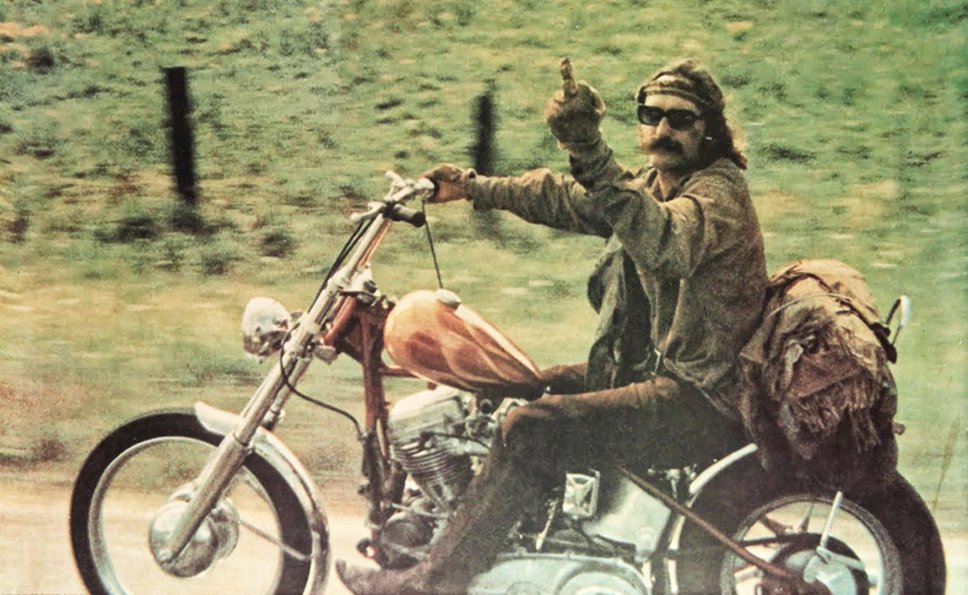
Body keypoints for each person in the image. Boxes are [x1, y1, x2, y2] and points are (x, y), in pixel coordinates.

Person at [337, 57, 768, 594]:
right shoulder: (659, 185)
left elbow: (663, 241)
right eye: (651, 114)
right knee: (517, 388)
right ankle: (518, 539)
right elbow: (567, 199)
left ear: (709, 129)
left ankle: (433, 583)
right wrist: (471, 186)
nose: (662, 129)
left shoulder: (717, 193)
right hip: (664, 376)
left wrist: (588, 146)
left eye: (680, 119)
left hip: (701, 399)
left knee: (530, 428)